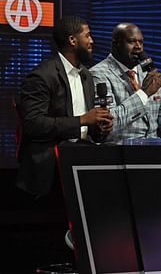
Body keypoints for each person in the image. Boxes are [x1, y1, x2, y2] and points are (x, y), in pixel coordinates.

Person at [16, 15, 113, 197]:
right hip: (51, 165)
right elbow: (33, 124)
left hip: (82, 158)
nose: (92, 41)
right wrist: (83, 120)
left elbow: (88, 130)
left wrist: (99, 127)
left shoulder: (86, 75)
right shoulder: (42, 76)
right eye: (88, 35)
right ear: (72, 40)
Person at [90, 23, 161, 142]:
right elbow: (109, 123)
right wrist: (144, 93)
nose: (138, 47)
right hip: (119, 151)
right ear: (115, 44)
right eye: (132, 41)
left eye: (141, 42)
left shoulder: (149, 73)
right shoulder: (99, 74)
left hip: (153, 150)